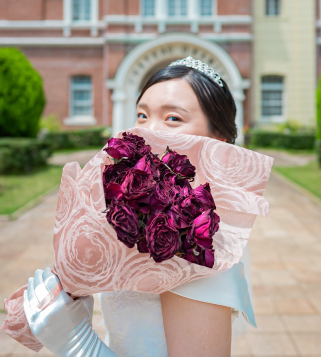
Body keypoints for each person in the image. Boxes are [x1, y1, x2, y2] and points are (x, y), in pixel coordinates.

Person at [22, 57, 255, 357]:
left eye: (173, 118)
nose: (146, 130)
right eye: (142, 115)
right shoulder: (149, 212)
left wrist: (79, 345)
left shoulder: (199, 242)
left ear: (217, 141)